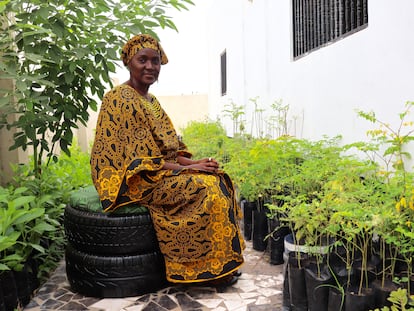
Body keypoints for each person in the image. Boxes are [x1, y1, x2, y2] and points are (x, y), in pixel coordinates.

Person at [90, 33, 245, 287]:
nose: (150, 66)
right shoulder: (121, 98)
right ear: (130, 62)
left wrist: (197, 164)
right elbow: (143, 160)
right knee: (208, 190)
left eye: (155, 61)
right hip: (132, 179)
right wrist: (193, 168)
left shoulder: (152, 101)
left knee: (219, 179)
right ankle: (202, 269)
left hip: (157, 171)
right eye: (143, 60)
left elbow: (170, 151)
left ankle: (220, 264)